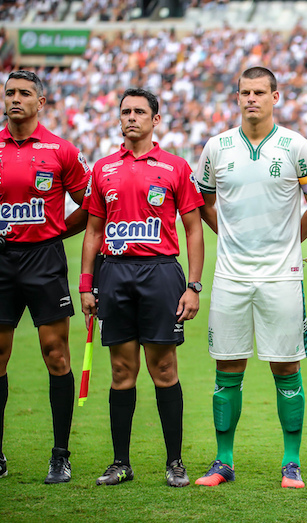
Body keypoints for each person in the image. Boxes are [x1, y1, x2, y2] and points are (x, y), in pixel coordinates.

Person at [194, 67, 307, 489]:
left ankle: (291, 462)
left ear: (275, 96)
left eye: (259, 92)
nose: (251, 98)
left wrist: (289, 241)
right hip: (230, 276)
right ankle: (223, 461)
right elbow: (204, 201)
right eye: (245, 92)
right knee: (227, 366)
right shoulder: (217, 147)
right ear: (237, 97)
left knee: (285, 366)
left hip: (281, 275)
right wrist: (229, 236)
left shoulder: (296, 146)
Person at [80, 88, 204, 487]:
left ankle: (175, 462)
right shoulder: (103, 168)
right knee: (121, 370)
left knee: (164, 369)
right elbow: (93, 231)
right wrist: (86, 284)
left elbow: (194, 229)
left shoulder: (175, 167)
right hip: (114, 274)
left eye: (139, 112)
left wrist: (194, 286)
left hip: (161, 274)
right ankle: (121, 462)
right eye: (126, 112)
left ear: (155, 119)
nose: (131, 117)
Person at [0, 71, 90, 483]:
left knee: (56, 355)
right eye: (10, 93)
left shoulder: (61, 150)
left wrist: (56, 233)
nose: (15, 99)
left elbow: (90, 205)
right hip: (2, 261)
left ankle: (60, 455)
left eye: (24, 93)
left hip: (44, 260)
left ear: (41, 102)